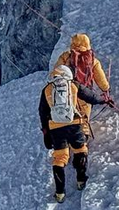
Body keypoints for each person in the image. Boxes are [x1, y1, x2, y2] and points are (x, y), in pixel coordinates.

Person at [38, 65, 112, 201]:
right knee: (80, 150)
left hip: (56, 128)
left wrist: (46, 132)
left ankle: (60, 193)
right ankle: (81, 180)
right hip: (74, 124)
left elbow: (43, 113)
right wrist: (104, 100)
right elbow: (91, 97)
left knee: (60, 158)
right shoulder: (73, 85)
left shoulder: (47, 89)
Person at [56, 33, 111, 122]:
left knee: (67, 117)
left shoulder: (65, 56)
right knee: (83, 120)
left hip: (68, 92)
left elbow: (56, 72)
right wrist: (106, 89)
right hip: (86, 94)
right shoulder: (92, 60)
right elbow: (100, 78)